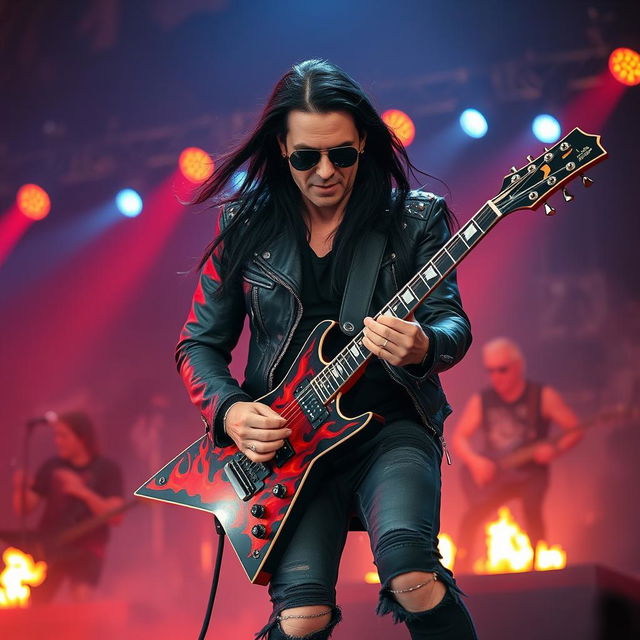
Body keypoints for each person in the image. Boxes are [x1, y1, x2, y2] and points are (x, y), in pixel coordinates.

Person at [178, 59, 477, 639]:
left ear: (363, 140)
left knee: (413, 575)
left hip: (390, 426)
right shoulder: (246, 228)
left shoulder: (412, 220)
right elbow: (199, 345)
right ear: (281, 149)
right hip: (290, 447)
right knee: (301, 617)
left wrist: (422, 346)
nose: (324, 172)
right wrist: (231, 411)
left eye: (341, 154)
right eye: (305, 157)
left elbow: (451, 324)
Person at [452, 337, 583, 573]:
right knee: (471, 519)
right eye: (490, 371)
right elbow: (459, 437)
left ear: (518, 366)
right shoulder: (482, 400)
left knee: (532, 513)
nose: (496, 377)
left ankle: (536, 569)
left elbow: (574, 428)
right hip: (496, 475)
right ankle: (460, 572)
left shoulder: (542, 396)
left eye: (502, 369)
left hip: (530, 473)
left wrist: (555, 450)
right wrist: (476, 462)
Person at [12, 411, 124, 602]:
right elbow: (24, 508)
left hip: (86, 549)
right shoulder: (52, 466)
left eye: (63, 435)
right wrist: (19, 488)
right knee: (34, 603)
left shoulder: (106, 469)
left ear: (82, 438)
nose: (58, 441)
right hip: (50, 546)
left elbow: (116, 516)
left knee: (81, 600)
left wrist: (81, 491)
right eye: (56, 435)